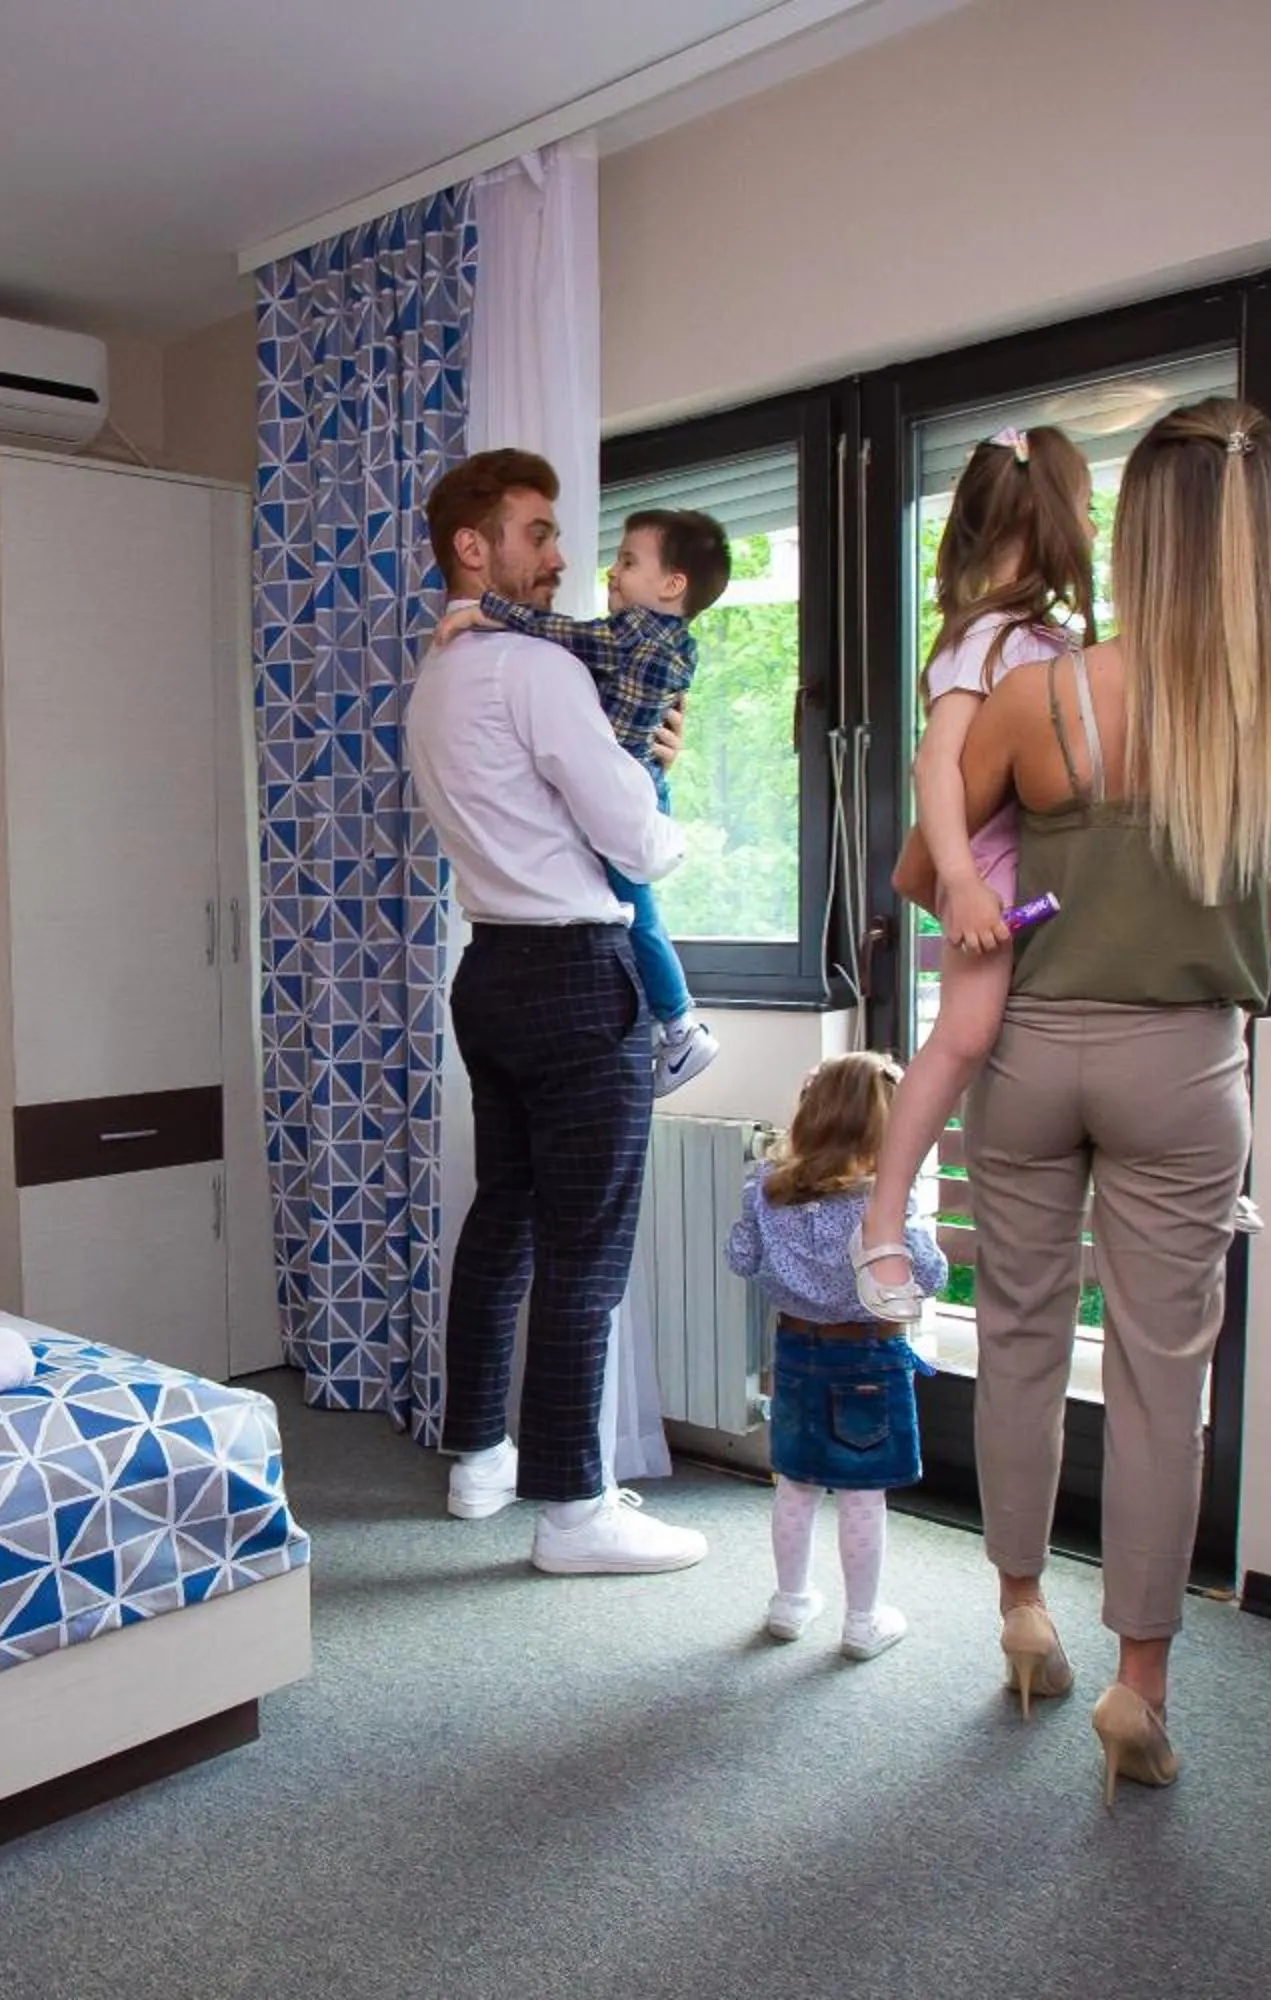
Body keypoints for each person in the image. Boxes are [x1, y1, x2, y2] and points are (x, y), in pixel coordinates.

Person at [947, 397, 1271, 1800]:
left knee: (1014, 1334)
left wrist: (1050, 869)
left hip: (1029, 1054)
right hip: (1186, 1061)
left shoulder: (1041, 696)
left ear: (1143, 533)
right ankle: (1140, 1688)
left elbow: (926, 877)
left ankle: (1019, 1612)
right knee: (1156, 1381)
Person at [404, 447, 709, 1576]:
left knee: (505, 1219)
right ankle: (576, 1507)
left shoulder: (436, 678)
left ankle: (477, 1454)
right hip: (579, 978)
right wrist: (665, 802)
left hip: (490, 972)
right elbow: (633, 839)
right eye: (537, 531)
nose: (562, 555)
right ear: (474, 548)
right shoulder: (534, 673)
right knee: (587, 1245)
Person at [849, 426, 1096, 1323]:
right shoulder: (988, 640)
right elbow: (936, 765)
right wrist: (958, 877)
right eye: (1090, 510)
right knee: (962, 1036)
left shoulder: (1049, 638)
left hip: (1062, 862)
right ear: (1057, 519)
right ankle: (880, 1222)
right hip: (996, 865)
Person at [438, 508, 734, 1098]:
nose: (612, 573)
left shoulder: (632, 636)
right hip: (641, 775)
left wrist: (484, 611)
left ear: (672, 585)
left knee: (635, 903)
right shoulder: (667, 640)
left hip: (633, 779)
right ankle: (671, 1021)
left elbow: (564, 635)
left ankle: (678, 1023)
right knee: (635, 900)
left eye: (627, 562)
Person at [723, 1052, 943, 1660]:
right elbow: (930, 1275)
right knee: (862, 1494)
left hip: (795, 1352)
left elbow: (741, 1260)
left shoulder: (764, 1191)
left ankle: (789, 1603)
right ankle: (862, 1622)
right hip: (868, 1357)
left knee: (795, 1484)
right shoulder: (884, 1203)